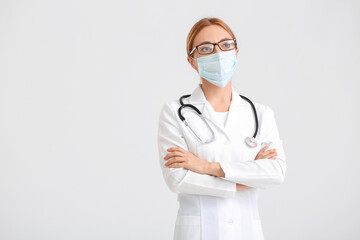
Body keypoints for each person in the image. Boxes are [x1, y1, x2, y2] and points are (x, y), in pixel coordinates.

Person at [157, 17, 286, 240]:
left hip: (247, 231)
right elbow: (177, 179)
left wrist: (206, 166)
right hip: (199, 233)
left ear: (236, 51)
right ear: (192, 61)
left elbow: (275, 173)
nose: (218, 54)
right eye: (205, 48)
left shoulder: (260, 113)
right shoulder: (174, 112)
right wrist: (246, 179)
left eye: (226, 45)